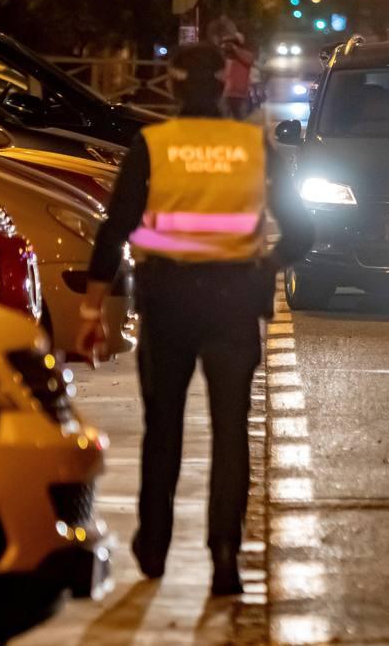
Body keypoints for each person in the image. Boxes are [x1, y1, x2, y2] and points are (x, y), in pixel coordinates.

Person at [74, 43, 313, 596]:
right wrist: (262, 265)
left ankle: (153, 547)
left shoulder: (154, 144)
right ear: (224, 83)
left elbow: (115, 231)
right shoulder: (254, 145)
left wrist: (91, 311)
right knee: (232, 432)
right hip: (234, 303)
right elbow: (303, 233)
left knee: (164, 428)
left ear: (175, 85)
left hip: (167, 301)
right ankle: (224, 555)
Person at [220, 29, 256, 120]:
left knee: (239, 119)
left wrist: (235, 49)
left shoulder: (245, 56)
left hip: (240, 95)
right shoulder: (225, 57)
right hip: (225, 93)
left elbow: (249, 60)